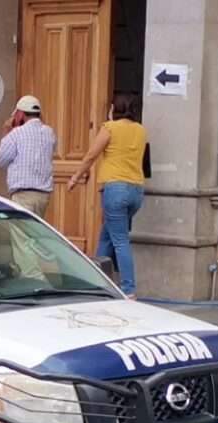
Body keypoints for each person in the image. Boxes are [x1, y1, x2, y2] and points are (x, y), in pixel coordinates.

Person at [69, 92, 147, 297]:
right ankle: (96, 281)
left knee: (120, 240)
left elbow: (91, 156)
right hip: (136, 190)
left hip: (115, 189)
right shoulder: (141, 130)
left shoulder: (110, 128)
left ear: (115, 109)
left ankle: (128, 289)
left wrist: (75, 177)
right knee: (106, 237)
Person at [0, 94, 56, 218]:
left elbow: (1, 160)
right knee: (36, 233)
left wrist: (6, 133)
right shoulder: (49, 133)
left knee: (22, 236)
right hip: (43, 195)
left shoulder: (16, 134)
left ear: (20, 114)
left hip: (23, 194)